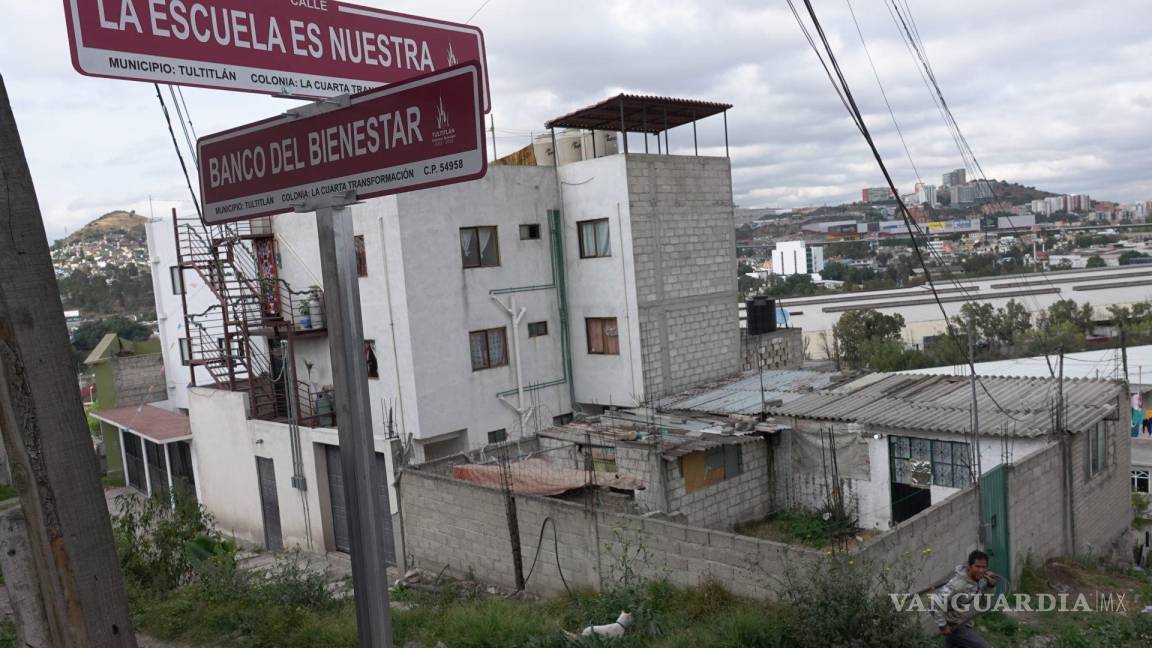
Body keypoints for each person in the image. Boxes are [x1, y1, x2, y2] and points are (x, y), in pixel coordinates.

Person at [929, 550, 998, 647]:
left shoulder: (980, 581)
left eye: (984, 567)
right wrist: (943, 626)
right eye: (977, 567)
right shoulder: (957, 584)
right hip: (956, 627)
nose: (981, 570)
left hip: (967, 623)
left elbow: (984, 605)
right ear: (969, 566)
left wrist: (990, 587)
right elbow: (933, 604)